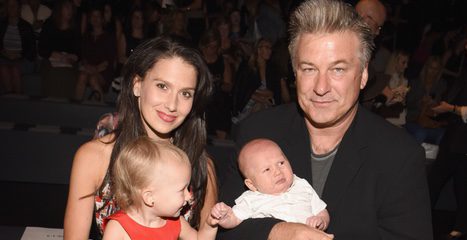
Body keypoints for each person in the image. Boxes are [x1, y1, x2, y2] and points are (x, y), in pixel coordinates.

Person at [218, 0, 432, 239]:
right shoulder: (258, 133)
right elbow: (223, 230)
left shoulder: (399, 156)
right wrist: (279, 233)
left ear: (363, 76)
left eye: (337, 69)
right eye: (309, 69)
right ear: (295, 73)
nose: (321, 87)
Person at [64, 36, 216, 240]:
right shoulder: (94, 157)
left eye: (185, 94)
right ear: (137, 84)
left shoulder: (201, 165)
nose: (172, 104)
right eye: (162, 86)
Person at [103, 137, 219, 240]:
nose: (189, 196)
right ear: (149, 197)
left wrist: (210, 226)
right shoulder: (118, 228)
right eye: (181, 190)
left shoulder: (176, 222)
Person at [212, 139, 329, 230]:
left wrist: (321, 221)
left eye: (281, 163)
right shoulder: (251, 199)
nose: (278, 171)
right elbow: (234, 219)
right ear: (251, 184)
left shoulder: (301, 185)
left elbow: (321, 210)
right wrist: (224, 216)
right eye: (267, 169)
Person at [427, 33, 467, 240]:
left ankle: (460, 229)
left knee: (463, 186)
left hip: (466, 141)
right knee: (435, 180)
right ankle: (420, 220)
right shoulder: (466, 71)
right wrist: (443, 108)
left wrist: (452, 108)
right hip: (454, 135)